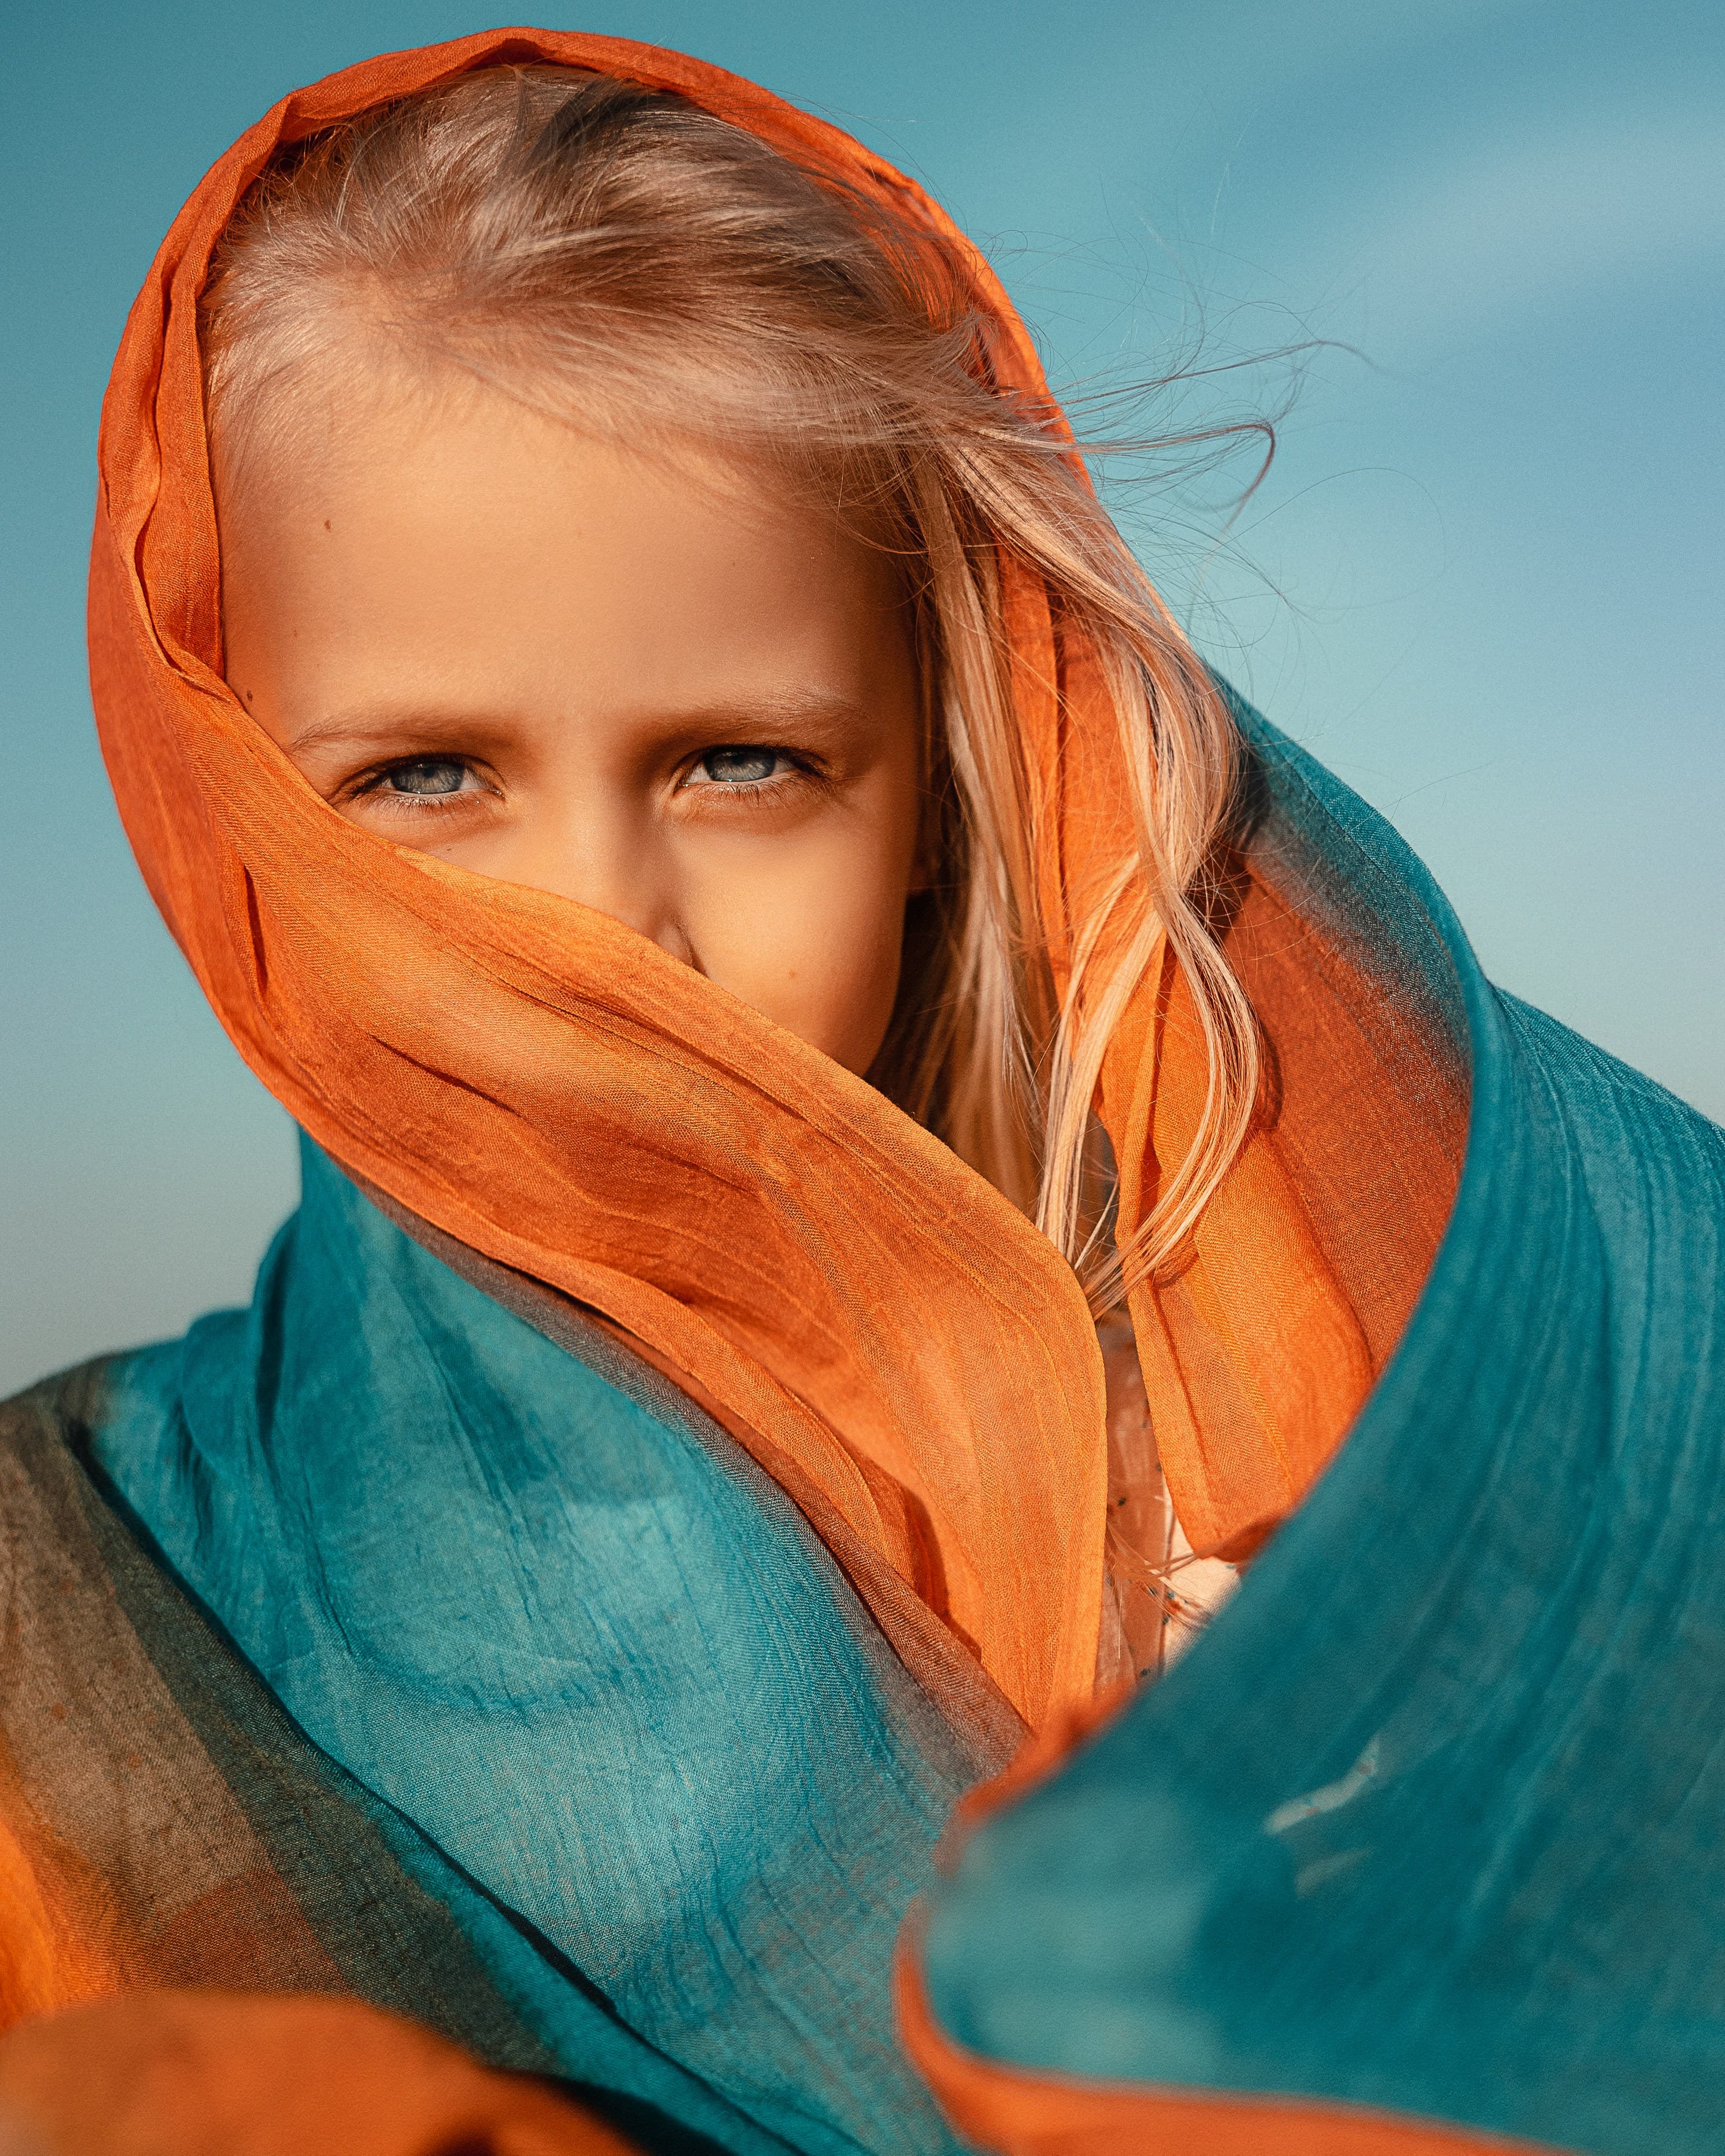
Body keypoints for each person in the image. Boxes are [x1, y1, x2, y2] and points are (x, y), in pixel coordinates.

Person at [2, 29, 1720, 2156]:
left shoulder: (1392, 1430)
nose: (604, 920)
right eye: (425, 776)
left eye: (743, 762)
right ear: (236, 821)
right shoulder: (81, 1624)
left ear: (930, 789)